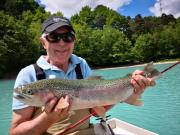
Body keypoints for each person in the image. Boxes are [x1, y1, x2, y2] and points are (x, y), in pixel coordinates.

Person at [10, 15, 153, 135]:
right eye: (54, 37)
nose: (62, 42)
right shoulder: (29, 74)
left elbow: (96, 112)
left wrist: (128, 91)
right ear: (43, 42)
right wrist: (48, 117)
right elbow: (15, 132)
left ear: (74, 40)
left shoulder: (81, 65)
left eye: (67, 37)